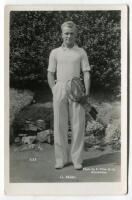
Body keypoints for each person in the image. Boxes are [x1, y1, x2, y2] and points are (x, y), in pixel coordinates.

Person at [47, 21, 90, 170]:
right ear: (62, 34)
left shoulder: (81, 52)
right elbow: (50, 73)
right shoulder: (55, 52)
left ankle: (77, 160)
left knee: (78, 124)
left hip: (77, 89)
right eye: (66, 33)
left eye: (71, 33)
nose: (69, 36)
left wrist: (86, 92)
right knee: (59, 125)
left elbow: (86, 73)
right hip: (59, 89)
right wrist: (54, 89)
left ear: (75, 34)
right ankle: (61, 159)